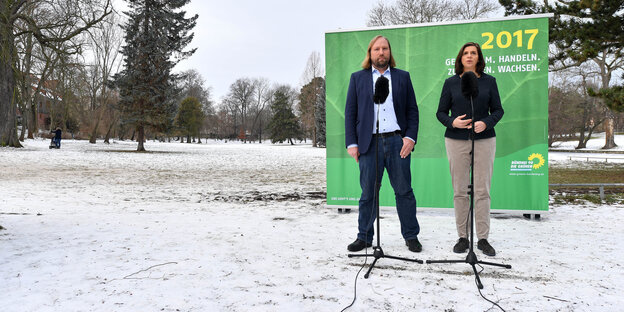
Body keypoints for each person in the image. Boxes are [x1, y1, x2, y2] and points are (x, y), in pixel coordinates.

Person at [344, 35, 422, 253]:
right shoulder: (358, 79)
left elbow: (412, 111)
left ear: (390, 52)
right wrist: (352, 143)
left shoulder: (402, 77)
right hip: (369, 144)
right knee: (368, 193)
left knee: (404, 191)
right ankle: (365, 237)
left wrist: (410, 137)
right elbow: (350, 113)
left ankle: (411, 235)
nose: (381, 52)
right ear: (370, 53)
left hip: (398, 142)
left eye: (385, 48)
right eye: (377, 49)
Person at [436, 42, 504, 256]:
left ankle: (483, 238)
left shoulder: (490, 82)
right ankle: (463, 237)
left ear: (479, 58)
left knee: (482, 190)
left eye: (473, 53)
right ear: (460, 57)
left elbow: (499, 110)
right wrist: (452, 122)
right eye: (465, 53)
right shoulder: (450, 83)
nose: (469, 56)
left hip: (484, 140)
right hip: (456, 141)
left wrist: (487, 122)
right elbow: (440, 113)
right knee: (460, 191)